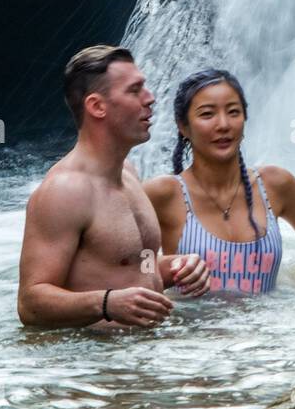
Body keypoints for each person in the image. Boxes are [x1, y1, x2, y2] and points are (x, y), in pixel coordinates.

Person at [17, 46, 209, 329]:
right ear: (97, 106)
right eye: (135, 90)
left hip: (140, 355)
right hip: (93, 364)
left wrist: (174, 268)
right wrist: (106, 304)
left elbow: (129, 267)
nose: (150, 98)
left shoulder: (128, 174)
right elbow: (30, 304)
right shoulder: (65, 191)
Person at [143, 68, 295, 295]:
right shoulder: (162, 193)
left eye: (233, 112)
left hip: (267, 329)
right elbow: (130, 262)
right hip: (193, 329)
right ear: (183, 126)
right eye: (207, 114)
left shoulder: (276, 184)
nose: (223, 125)